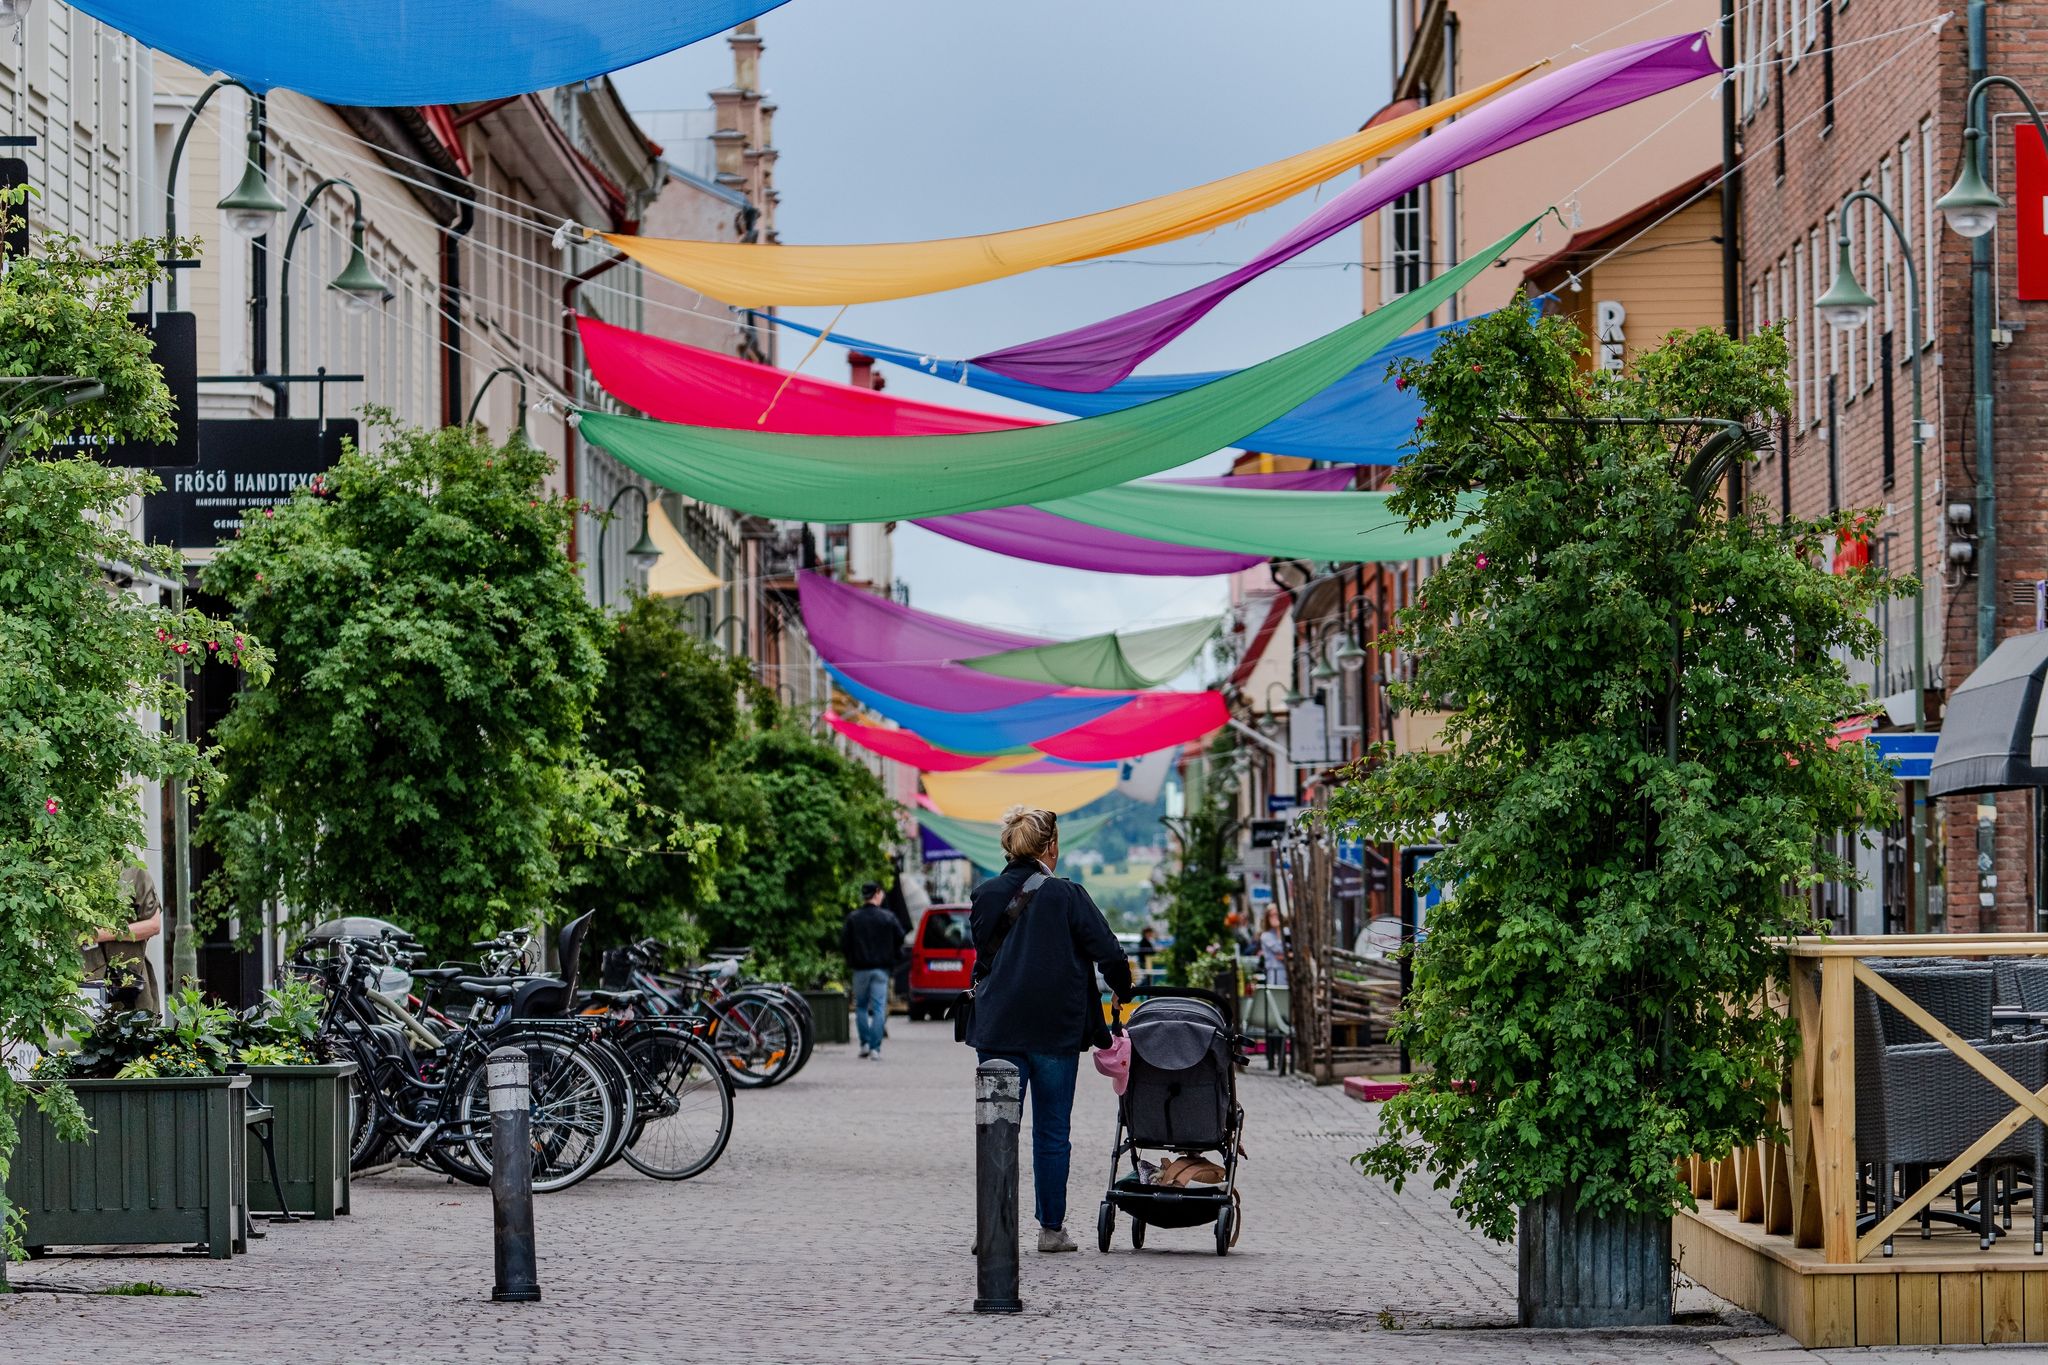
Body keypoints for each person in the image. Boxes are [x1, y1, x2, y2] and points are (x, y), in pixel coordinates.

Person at [967, 806, 1133, 1254]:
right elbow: (1110, 953)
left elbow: (986, 954)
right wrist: (1121, 989)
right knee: (1052, 1131)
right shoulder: (1067, 896)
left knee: (998, 1128)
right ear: (1052, 847)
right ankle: (1051, 1230)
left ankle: (992, 1232)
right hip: (1055, 1031)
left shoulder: (984, 895)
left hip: (998, 1028)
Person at [85, 865, 162, 1013]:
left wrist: (103, 934)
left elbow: (154, 925)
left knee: (136, 1030)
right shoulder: (75, 873)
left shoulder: (133, 872)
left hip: (130, 985)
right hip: (88, 984)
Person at [842, 882, 901, 1060]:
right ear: (877, 893)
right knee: (878, 1008)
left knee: (860, 1006)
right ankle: (875, 1049)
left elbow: (844, 943)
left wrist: (852, 959)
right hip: (881, 969)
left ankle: (864, 1044)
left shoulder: (853, 918)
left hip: (860, 969)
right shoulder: (888, 917)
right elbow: (900, 936)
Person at [1258, 906, 1289, 988]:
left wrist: (1288, 955)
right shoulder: (1266, 936)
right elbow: (1280, 950)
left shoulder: (1287, 932)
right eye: (1272, 915)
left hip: (1289, 972)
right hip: (1275, 974)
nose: (1275, 917)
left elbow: (1291, 949)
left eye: (1277, 914)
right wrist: (1279, 929)